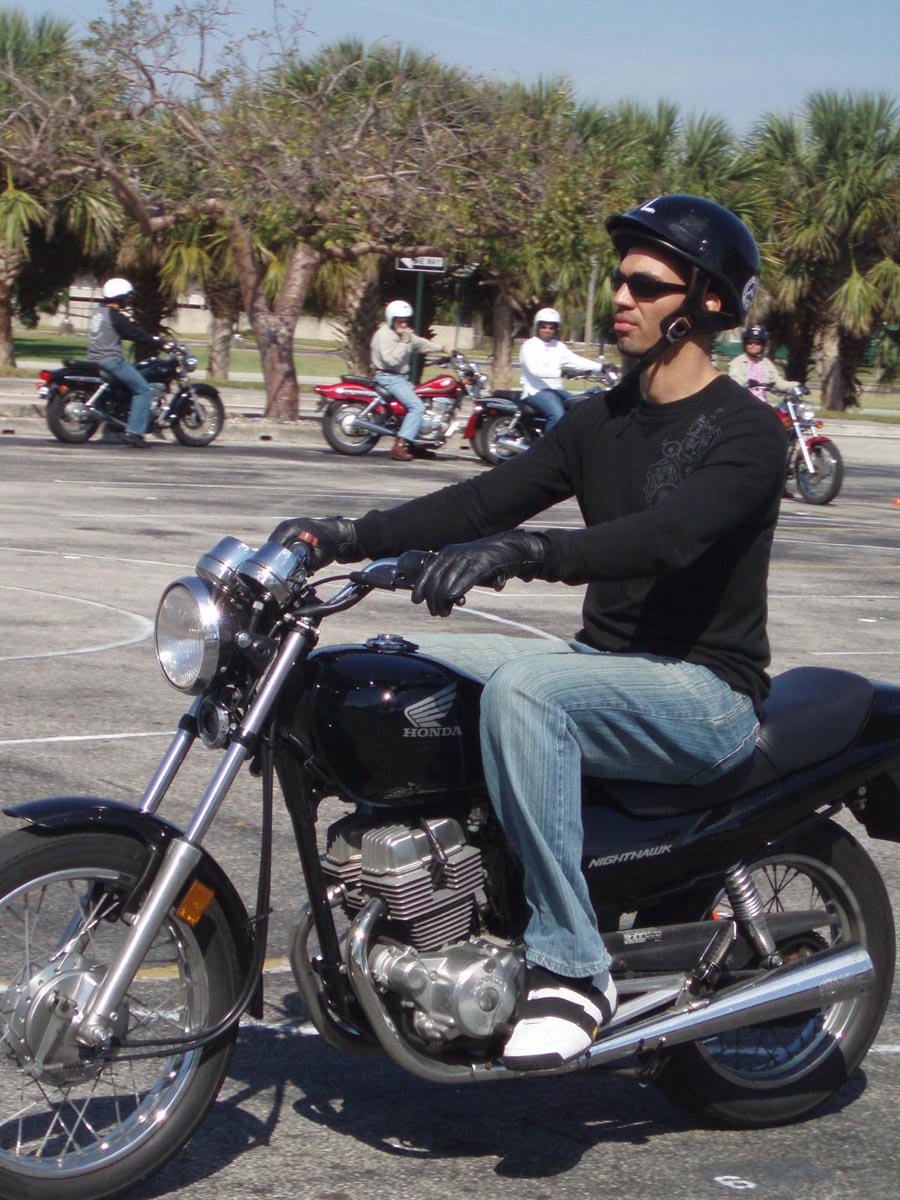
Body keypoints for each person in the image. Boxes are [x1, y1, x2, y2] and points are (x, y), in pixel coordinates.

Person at [271, 195, 787, 1072]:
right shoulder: (600, 420)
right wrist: (345, 536)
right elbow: (481, 500)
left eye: (645, 284)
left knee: (526, 692)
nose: (620, 297)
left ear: (705, 302)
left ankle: (573, 968)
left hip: (705, 694)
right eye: (620, 280)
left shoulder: (747, 432)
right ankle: (427, 902)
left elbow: (667, 537)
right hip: (605, 666)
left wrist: (528, 551)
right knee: (388, 670)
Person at [88, 278, 163, 449]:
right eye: (126, 297)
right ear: (119, 296)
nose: (127, 301)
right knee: (143, 390)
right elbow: (134, 332)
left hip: (95, 358)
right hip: (111, 361)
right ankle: (135, 432)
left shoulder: (98, 313)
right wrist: (158, 342)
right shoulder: (116, 317)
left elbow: (119, 332)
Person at [370, 300, 449, 461]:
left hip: (400, 378)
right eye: (400, 321)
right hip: (389, 377)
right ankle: (399, 445)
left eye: (406, 320)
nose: (404, 324)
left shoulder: (403, 334)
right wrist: (404, 342)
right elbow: (391, 360)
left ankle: (415, 445)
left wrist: (443, 348)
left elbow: (420, 343)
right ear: (391, 319)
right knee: (417, 407)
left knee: (423, 403)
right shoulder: (384, 335)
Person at [519, 307, 603, 429]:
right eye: (543, 327)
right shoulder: (529, 345)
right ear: (537, 327)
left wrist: (601, 367)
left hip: (556, 390)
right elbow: (535, 370)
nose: (547, 330)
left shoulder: (558, 346)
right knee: (558, 416)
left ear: (556, 329)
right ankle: (549, 441)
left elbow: (575, 361)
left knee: (580, 407)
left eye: (551, 328)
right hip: (536, 391)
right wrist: (561, 373)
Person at [728, 325, 799, 402]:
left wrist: (797, 385)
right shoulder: (737, 362)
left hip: (762, 403)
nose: (753, 345)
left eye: (757, 343)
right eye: (749, 342)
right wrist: (747, 382)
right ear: (745, 344)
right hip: (742, 403)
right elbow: (734, 382)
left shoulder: (766, 363)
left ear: (763, 345)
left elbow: (779, 384)